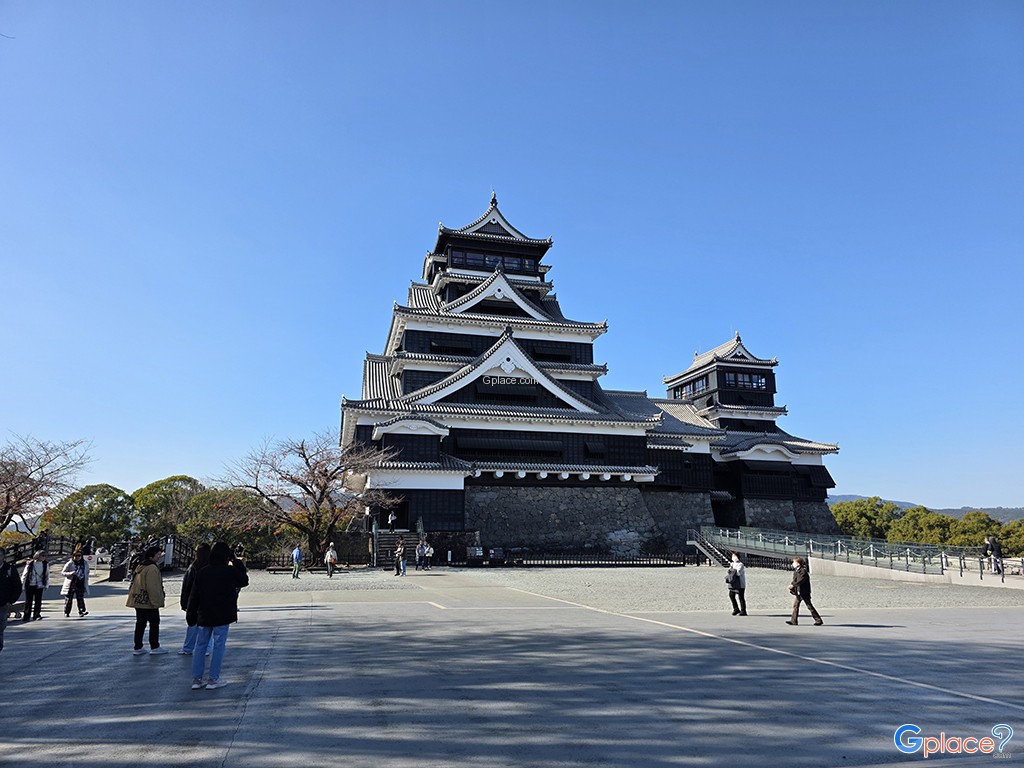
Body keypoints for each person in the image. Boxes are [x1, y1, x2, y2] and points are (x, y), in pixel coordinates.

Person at [186, 541, 249, 690]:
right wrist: (236, 561)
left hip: (204, 613)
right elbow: (244, 581)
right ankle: (213, 679)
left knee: (200, 646)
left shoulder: (203, 572)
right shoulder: (229, 571)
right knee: (219, 646)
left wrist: (191, 613)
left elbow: (194, 595)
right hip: (222, 613)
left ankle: (196, 679)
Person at [126, 545, 167, 654]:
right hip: (148, 601)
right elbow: (152, 586)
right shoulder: (152, 568)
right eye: (158, 555)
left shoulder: (141, 566)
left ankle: (138, 647)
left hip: (138, 600)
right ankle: (154, 646)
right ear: (152, 556)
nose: (159, 557)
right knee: (154, 623)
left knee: (140, 623)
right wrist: (156, 601)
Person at [179, 543, 212, 655]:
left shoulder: (193, 567)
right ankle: (207, 648)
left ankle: (188, 648)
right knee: (207, 626)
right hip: (208, 600)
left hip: (194, 599)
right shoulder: (211, 566)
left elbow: (186, 585)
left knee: (192, 625)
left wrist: (184, 602)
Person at [786, 556, 823, 626]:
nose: (793, 564)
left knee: (809, 606)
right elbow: (795, 580)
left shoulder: (803, 571)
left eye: (794, 562)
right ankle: (793, 621)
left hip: (804, 592)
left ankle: (818, 620)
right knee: (795, 606)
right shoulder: (796, 571)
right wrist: (792, 586)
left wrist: (793, 585)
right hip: (799, 591)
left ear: (798, 563)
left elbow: (801, 580)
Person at [0, 547, 23, 653]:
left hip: (3, 604)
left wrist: (11, 601)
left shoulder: (9, 569)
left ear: (4, 557)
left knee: (0, 628)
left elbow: (17, 586)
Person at [20, 550, 49, 622]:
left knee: (38, 600)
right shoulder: (30, 564)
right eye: (42, 556)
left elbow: (47, 575)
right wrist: (22, 584)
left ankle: (37, 615)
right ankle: (26, 615)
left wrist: (46, 584)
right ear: (38, 556)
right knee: (28, 601)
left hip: (39, 584)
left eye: (45, 556)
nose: (44, 557)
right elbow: (25, 574)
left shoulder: (45, 564)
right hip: (30, 584)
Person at [60, 550, 90, 617]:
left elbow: (87, 572)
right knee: (68, 599)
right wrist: (71, 573)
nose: (77, 557)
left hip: (80, 583)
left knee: (80, 598)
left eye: (79, 555)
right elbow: (63, 573)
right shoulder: (70, 563)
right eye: (75, 556)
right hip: (71, 583)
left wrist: (85, 578)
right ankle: (66, 612)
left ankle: (81, 611)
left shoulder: (84, 563)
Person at [726, 551, 746, 616]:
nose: (733, 557)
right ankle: (736, 608)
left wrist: (732, 571)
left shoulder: (741, 564)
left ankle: (743, 610)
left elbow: (738, 573)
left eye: (734, 556)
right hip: (733, 583)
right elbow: (730, 571)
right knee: (731, 595)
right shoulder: (732, 564)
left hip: (740, 583)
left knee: (741, 597)